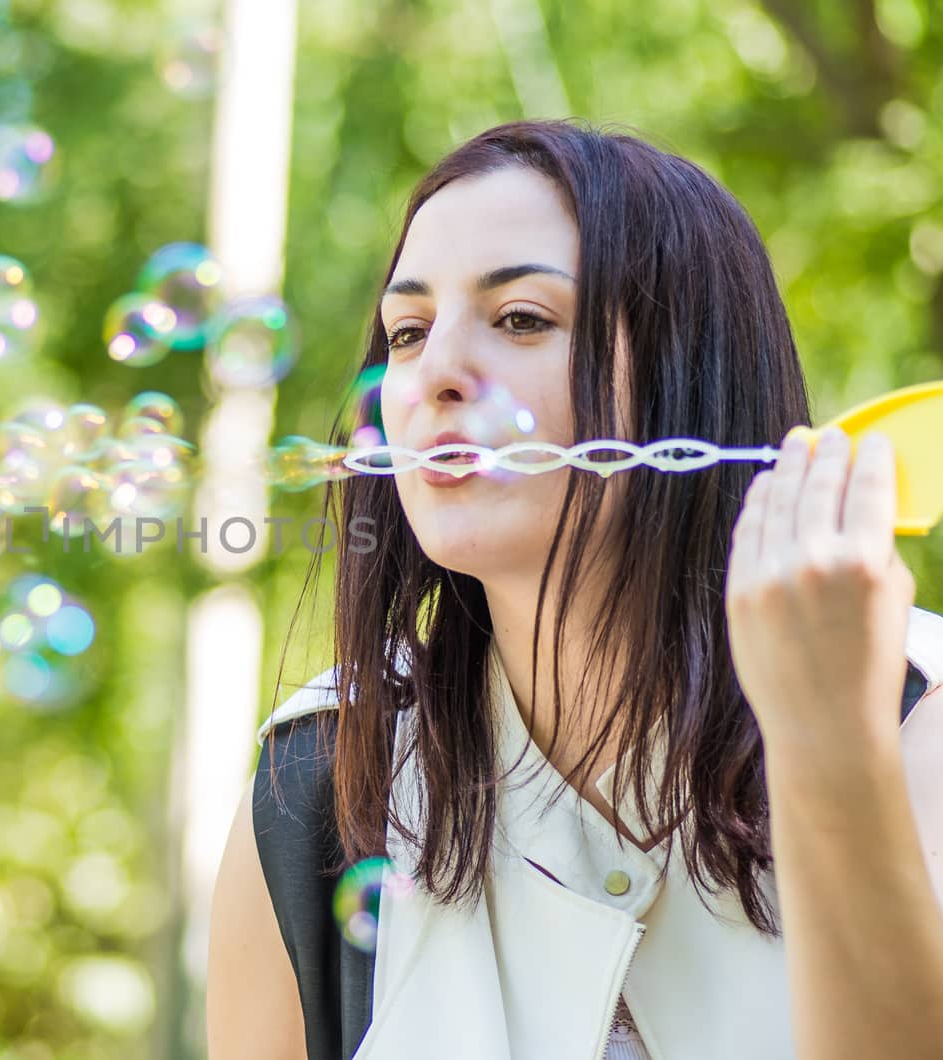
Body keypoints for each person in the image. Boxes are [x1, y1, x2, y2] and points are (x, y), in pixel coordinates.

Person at [205, 119, 943, 1060]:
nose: (434, 375)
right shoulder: (315, 785)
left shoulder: (917, 720)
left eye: (521, 319)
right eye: (408, 330)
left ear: (690, 380)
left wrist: (831, 743)